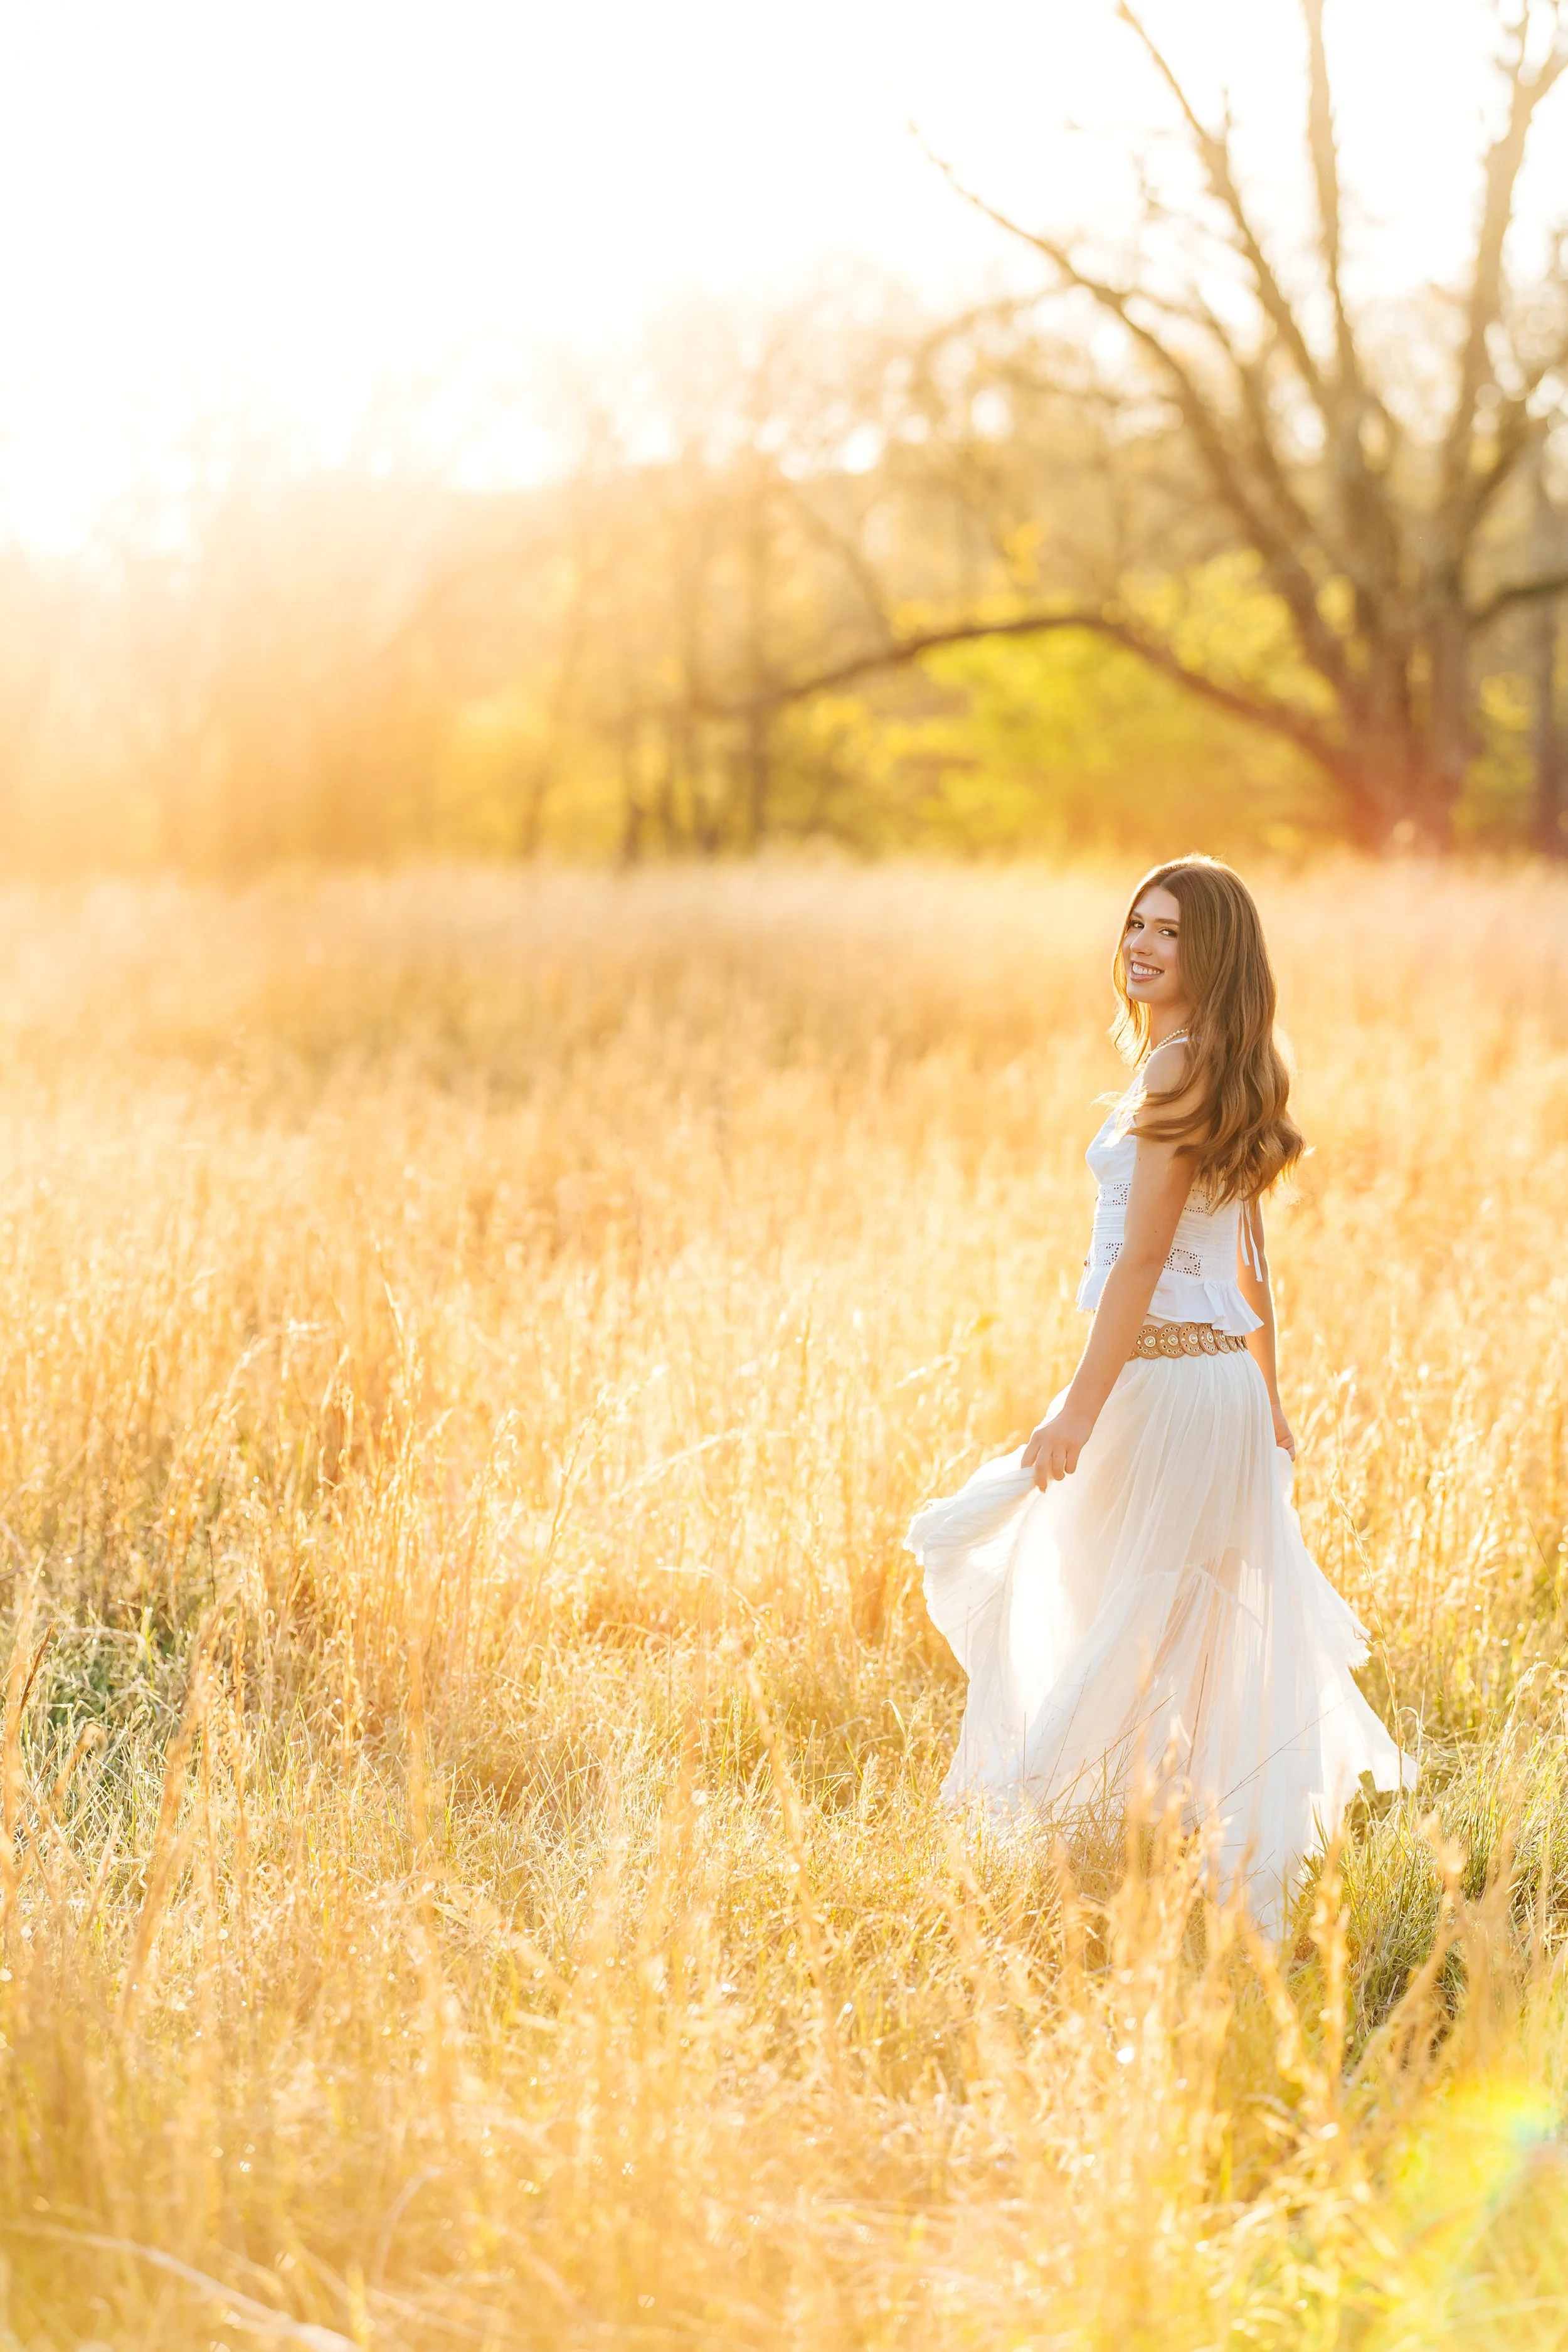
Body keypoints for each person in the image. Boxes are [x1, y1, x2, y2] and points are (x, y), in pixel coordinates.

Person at [906, 856, 1409, 1930]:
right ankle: (1167, 1848)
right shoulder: (1232, 1065)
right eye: (1135, 922)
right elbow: (1252, 1265)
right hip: (1215, 1387)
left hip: (1169, 1385)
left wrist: (1078, 1407)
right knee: (1180, 1623)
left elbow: (1147, 1263)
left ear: (1209, 951)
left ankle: (1068, 1843)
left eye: (1168, 931)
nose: (1139, 943)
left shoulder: (1180, 1068)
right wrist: (1267, 1396)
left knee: (1108, 1611)